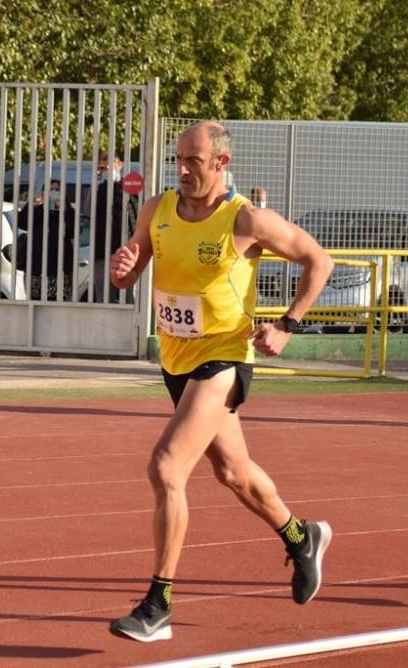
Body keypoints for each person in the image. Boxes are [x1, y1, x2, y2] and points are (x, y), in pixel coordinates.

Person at [107, 121, 335, 642]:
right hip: (176, 360)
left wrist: (288, 324)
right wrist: (121, 268)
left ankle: (158, 605)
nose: (183, 169)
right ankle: (303, 538)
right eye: (178, 159)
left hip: (224, 358)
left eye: (194, 161)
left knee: (166, 469)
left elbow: (319, 260)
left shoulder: (246, 219)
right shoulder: (158, 209)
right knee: (233, 472)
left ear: (220, 165)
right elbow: (128, 274)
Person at [91, 152, 137, 302]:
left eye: (112, 164)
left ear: (120, 165)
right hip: (102, 250)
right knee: (104, 297)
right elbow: (86, 209)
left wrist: (117, 185)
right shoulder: (98, 189)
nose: (108, 169)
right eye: (104, 167)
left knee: (128, 296)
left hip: (125, 248)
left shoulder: (129, 186)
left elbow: (133, 210)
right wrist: (97, 182)